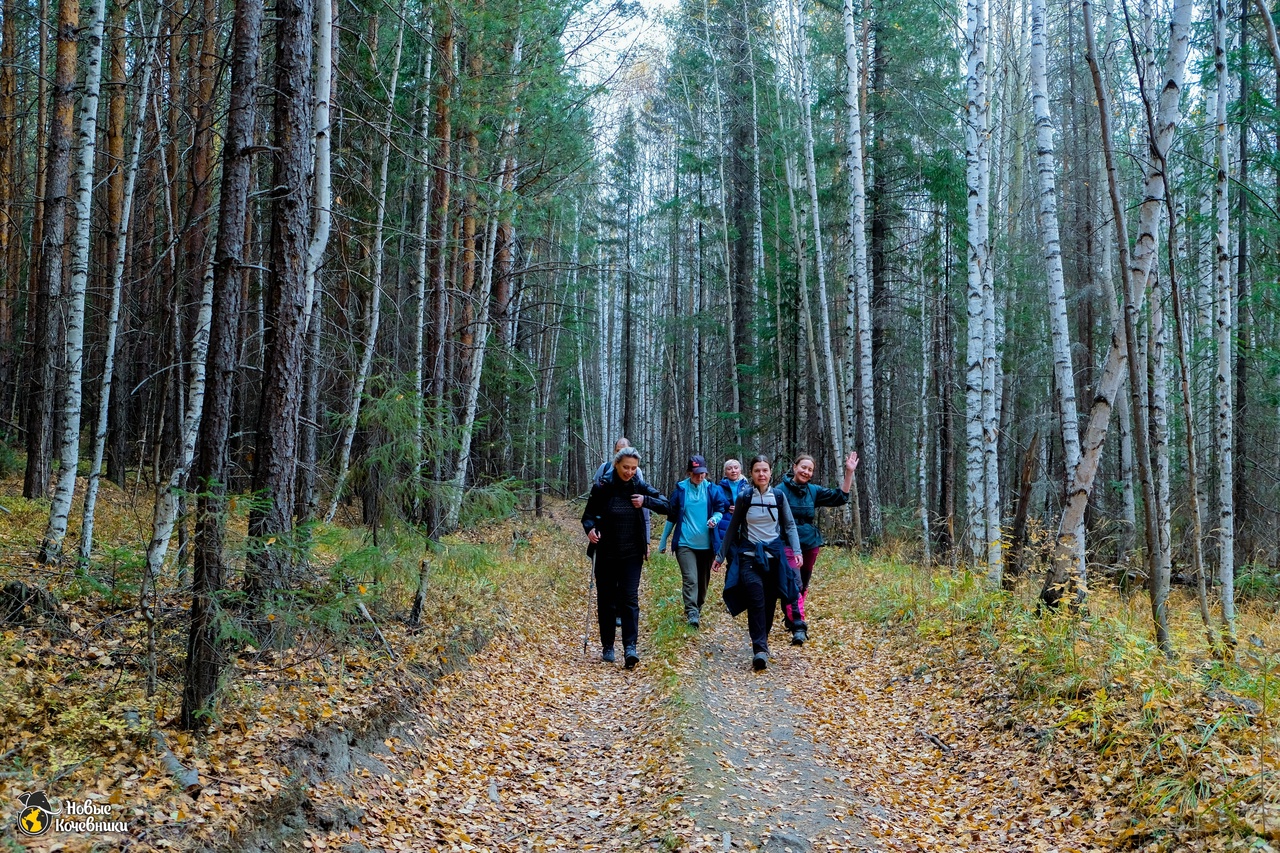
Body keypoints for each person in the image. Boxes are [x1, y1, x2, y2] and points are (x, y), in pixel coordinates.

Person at [582, 447, 670, 669]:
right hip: (605, 552)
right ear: (616, 465)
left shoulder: (638, 485)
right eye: (625, 467)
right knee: (607, 600)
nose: (629, 472)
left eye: (633, 468)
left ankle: (630, 647)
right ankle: (608, 646)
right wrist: (590, 530)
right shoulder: (602, 486)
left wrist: (645, 501)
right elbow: (588, 516)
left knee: (629, 599)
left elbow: (667, 505)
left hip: (631, 553)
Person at [713, 455, 803, 672]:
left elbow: (789, 526)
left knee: (770, 602)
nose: (761, 474)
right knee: (756, 600)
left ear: (770, 472)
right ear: (751, 474)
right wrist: (720, 556)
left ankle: (763, 639)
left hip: (774, 558)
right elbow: (733, 528)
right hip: (749, 557)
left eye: (765, 470)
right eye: (757, 471)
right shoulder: (745, 497)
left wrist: (797, 551)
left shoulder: (779, 497)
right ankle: (759, 649)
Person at [777, 451, 858, 645]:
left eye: (810, 469)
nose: (806, 472)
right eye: (803, 467)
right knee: (793, 584)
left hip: (810, 542)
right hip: (787, 542)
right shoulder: (779, 490)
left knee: (803, 584)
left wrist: (849, 472)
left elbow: (840, 497)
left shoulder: (813, 491)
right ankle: (798, 625)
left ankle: (791, 614)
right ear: (795, 467)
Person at [658, 455, 730, 628]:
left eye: (703, 473)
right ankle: (691, 611)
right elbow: (672, 516)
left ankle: (697, 607)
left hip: (707, 544)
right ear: (689, 472)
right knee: (690, 578)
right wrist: (663, 541)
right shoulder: (681, 490)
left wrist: (716, 518)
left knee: (703, 581)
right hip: (685, 543)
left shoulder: (712, 489)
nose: (700, 476)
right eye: (696, 473)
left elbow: (722, 509)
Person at [713, 458, 750, 554]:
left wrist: (741, 509)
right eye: (729, 469)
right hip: (727, 527)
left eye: (736, 468)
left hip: (745, 528)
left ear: (740, 470)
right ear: (725, 472)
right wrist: (726, 508)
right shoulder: (719, 488)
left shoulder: (748, 488)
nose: (733, 471)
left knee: (744, 558)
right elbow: (716, 505)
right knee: (732, 557)